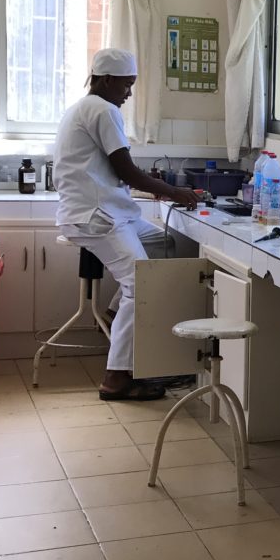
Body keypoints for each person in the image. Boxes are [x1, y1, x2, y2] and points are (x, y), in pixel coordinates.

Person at [54, 47, 198, 400]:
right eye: (126, 85)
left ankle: (115, 311)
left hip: (107, 212)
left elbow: (117, 168)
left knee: (164, 245)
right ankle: (116, 378)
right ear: (106, 80)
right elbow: (126, 171)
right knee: (141, 287)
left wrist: (159, 186)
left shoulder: (81, 108)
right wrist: (174, 192)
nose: (129, 93)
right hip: (97, 217)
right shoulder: (103, 110)